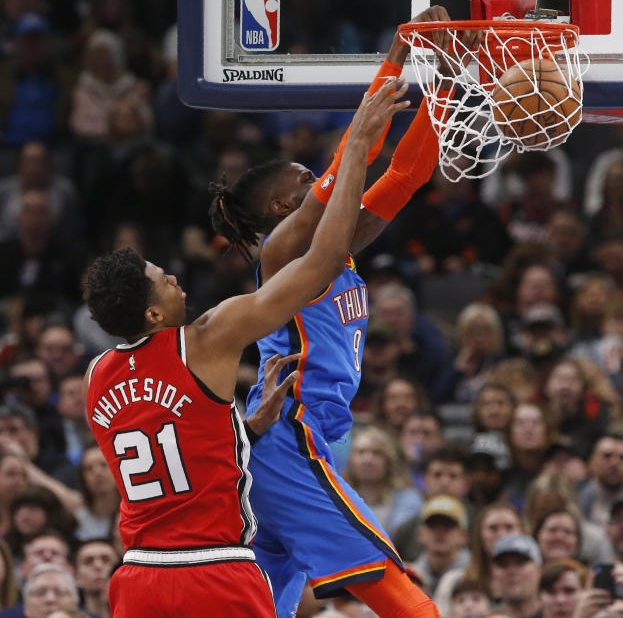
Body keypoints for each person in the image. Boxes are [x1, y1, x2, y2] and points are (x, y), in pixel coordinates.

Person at [81, 75, 407, 618]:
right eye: (164, 280)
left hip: (138, 575)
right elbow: (322, 263)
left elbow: (177, 449)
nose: (176, 280)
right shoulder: (208, 336)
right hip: (214, 567)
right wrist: (353, 151)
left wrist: (248, 428)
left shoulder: (96, 378)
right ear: (154, 314)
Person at [207, 6, 476, 617]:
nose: (323, 181)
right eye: (305, 180)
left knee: (262, 606)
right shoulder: (281, 251)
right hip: (286, 435)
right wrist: (400, 53)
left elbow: (406, 173)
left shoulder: (338, 244)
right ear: (282, 204)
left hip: (308, 438)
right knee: (400, 595)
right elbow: (343, 167)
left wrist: (453, 80)